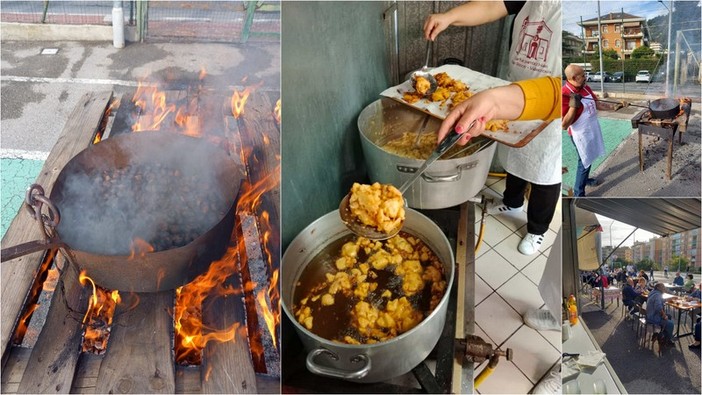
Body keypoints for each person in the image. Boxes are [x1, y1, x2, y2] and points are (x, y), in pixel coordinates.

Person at [426, 0, 561, 258]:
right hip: (516, 89)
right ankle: (512, 202)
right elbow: (491, 6)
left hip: (553, 106)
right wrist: (449, 17)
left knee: (545, 168)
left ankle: (537, 228)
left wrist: (497, 99)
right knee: (516, 154)